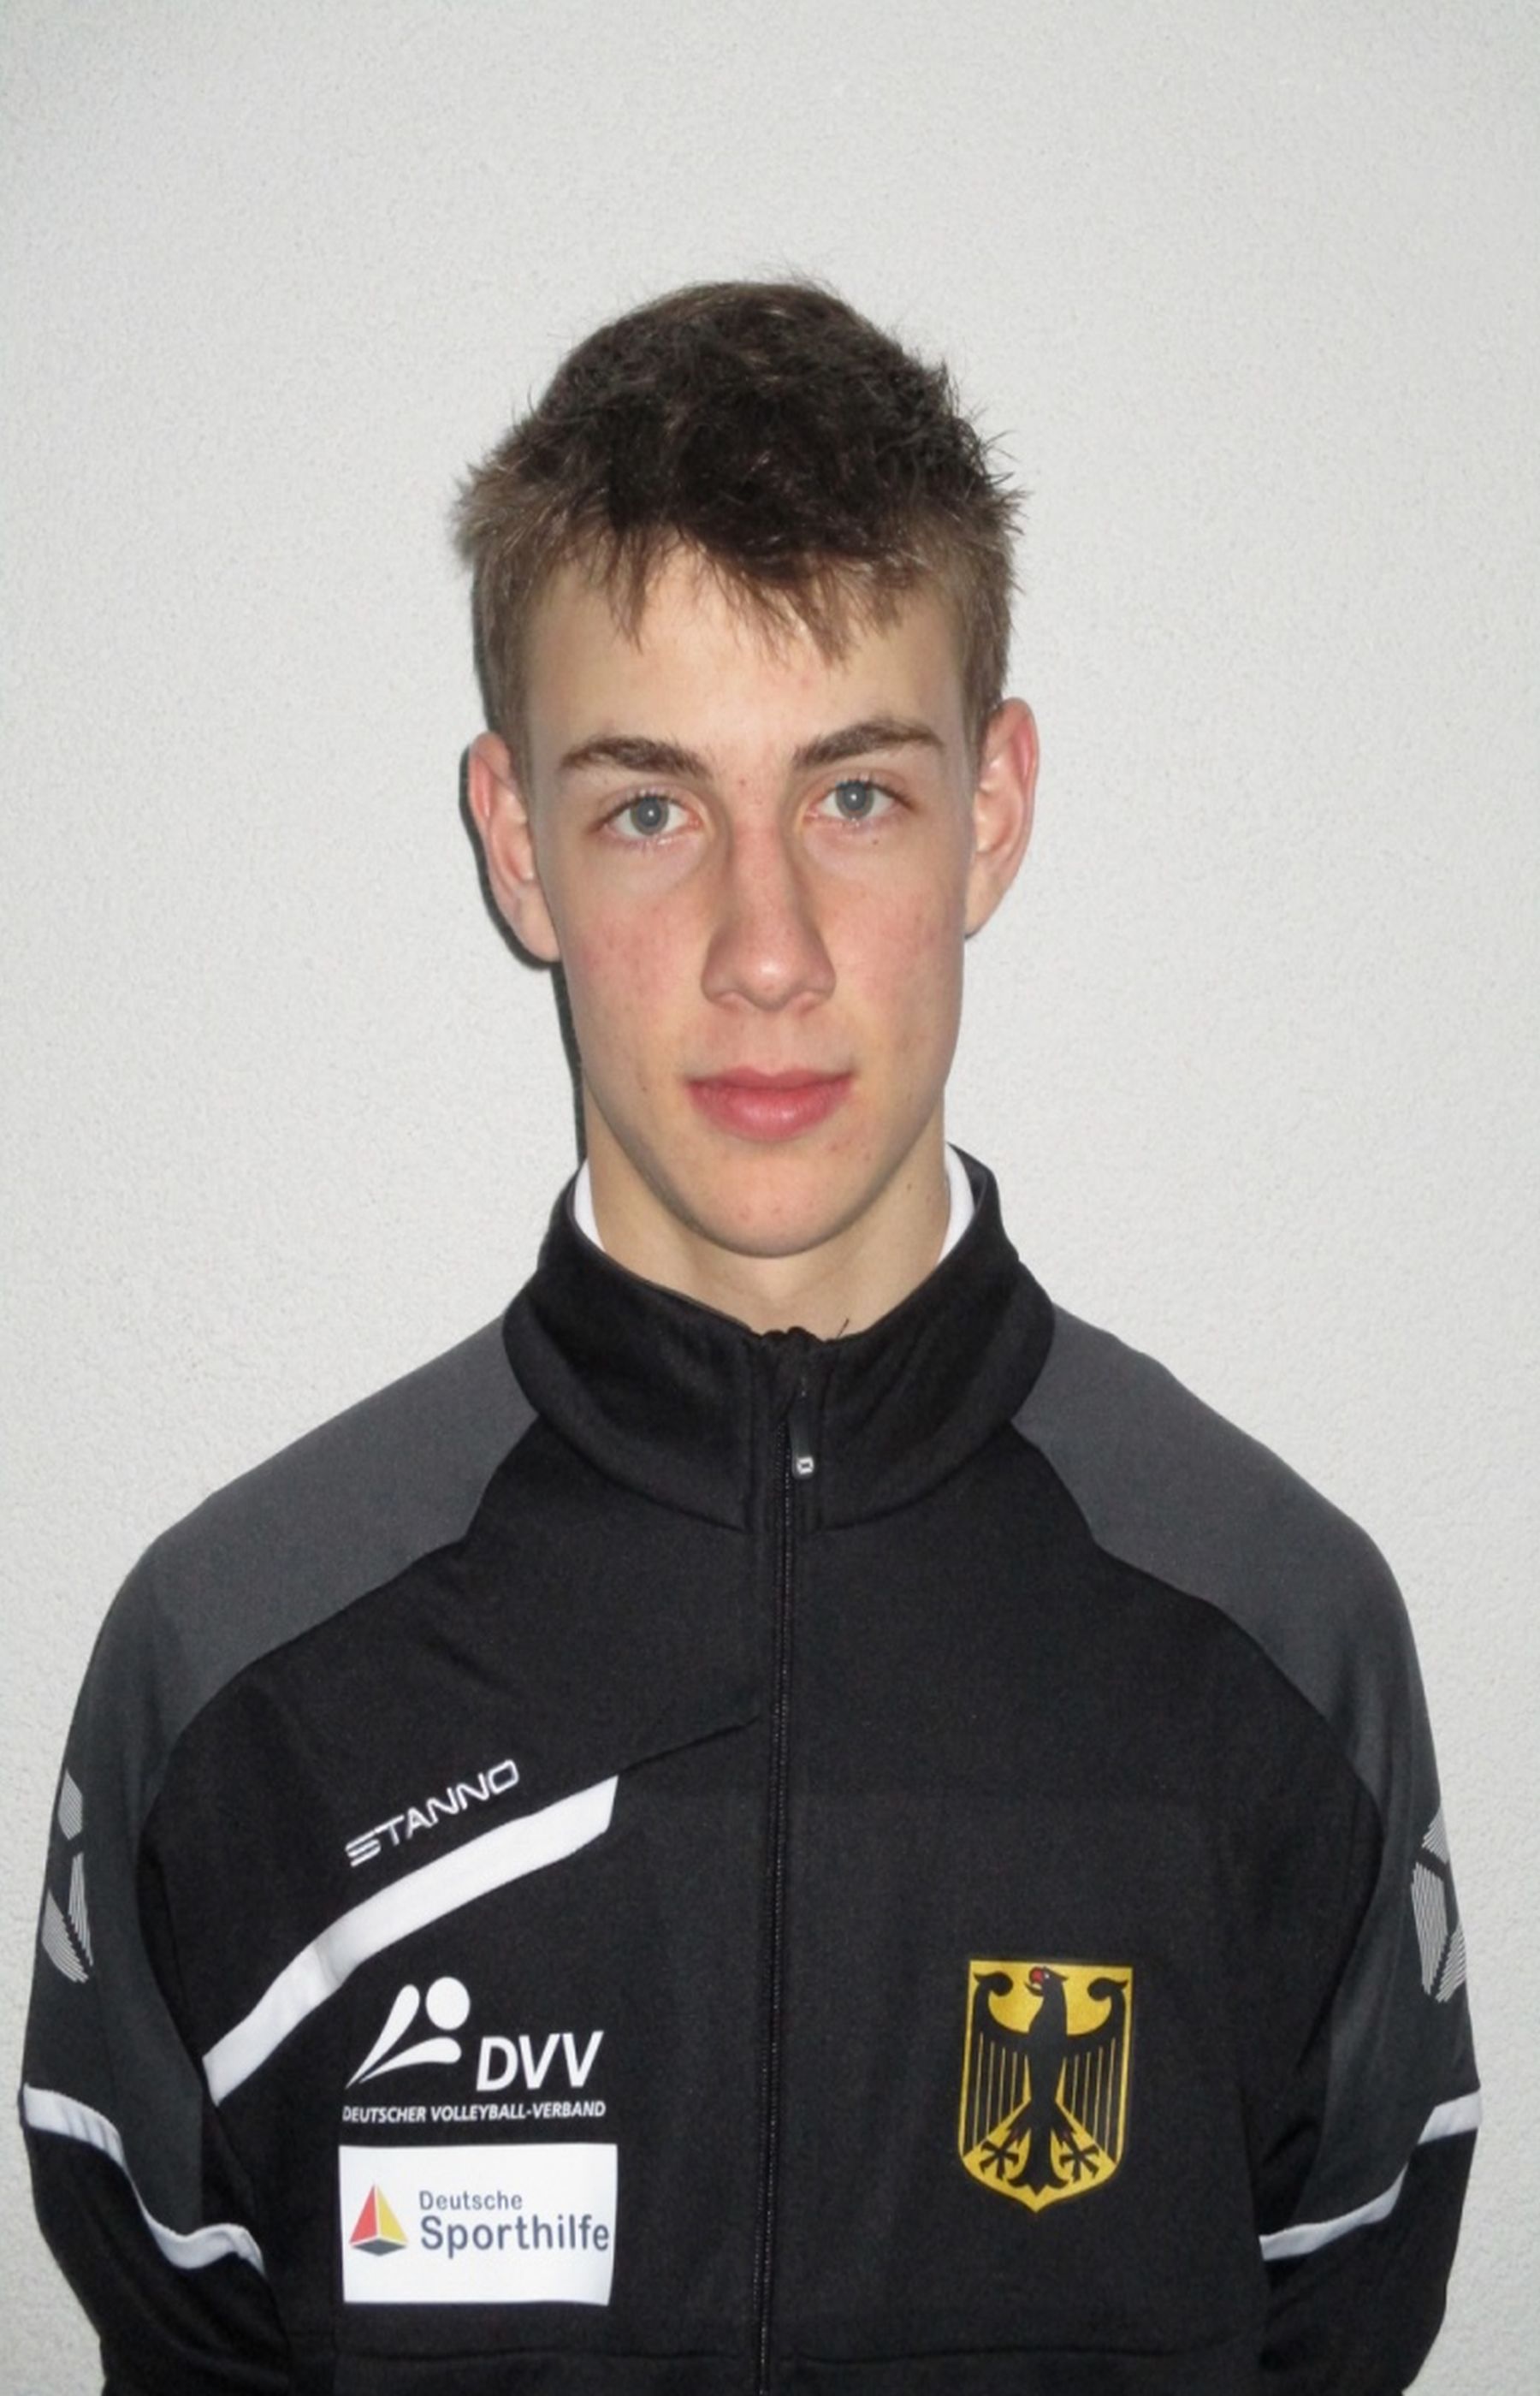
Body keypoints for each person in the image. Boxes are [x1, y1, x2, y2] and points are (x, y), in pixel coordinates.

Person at [21, 282, 1478, 2395]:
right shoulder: (241, 1672)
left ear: (995, 807)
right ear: (516, 841)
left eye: (853, 795)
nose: (766, 950)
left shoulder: (1278, 1636)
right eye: (651, 807)